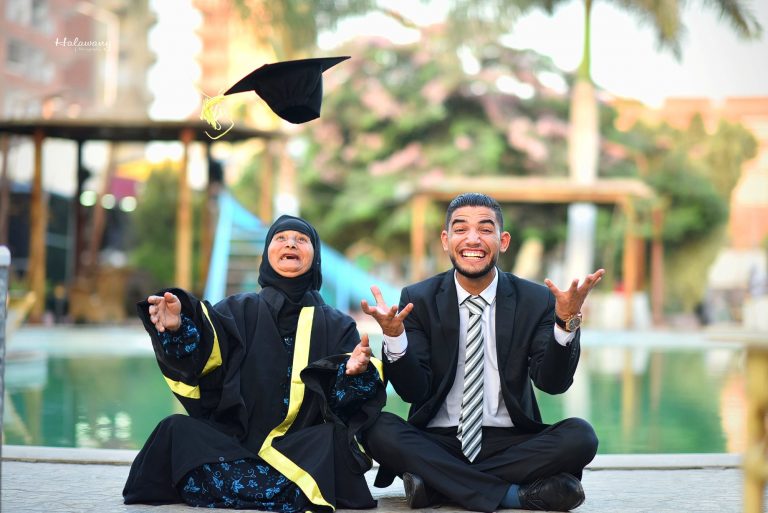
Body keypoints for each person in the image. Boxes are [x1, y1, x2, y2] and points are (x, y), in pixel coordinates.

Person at [360, 192, 605, 512]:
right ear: (446, 240)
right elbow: (412, 391)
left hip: (512, 440)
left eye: (485, 229)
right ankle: (514, 496)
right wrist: (393, 336)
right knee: (377, 427)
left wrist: (565, 323)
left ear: (503, 241)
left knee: (581, 436)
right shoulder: (418, 298)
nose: (473, 239)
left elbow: (552, 383)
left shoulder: (536, 300)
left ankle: (437, 487)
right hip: (439, 440)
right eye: (461, 229)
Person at [123, 215, 386, 512]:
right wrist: (179, 328)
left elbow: (350, 405)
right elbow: (204, 362)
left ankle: (242, 489)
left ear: (315, 258)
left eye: (302, 240)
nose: (290, 243)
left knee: (331, 441)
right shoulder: (237, 309)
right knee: (173, 431)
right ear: (267, 254)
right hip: (234, 443)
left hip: (300, 448)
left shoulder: (337, 325)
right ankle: (284, 491)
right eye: (281, 238)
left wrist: (352, 374)